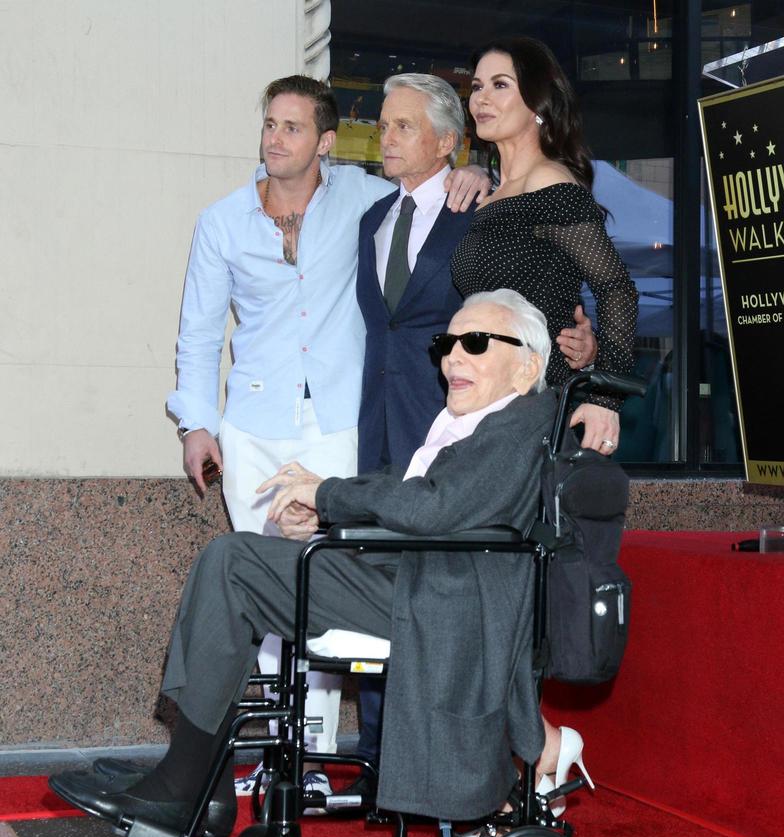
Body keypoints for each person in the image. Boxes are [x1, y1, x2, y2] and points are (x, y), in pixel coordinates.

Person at [49, 289, 565, 835]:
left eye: (475, 343)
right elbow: (420, 497)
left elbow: (433, 507)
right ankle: (195, 777)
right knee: (234, 563)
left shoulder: (522, 421)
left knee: (234, 564)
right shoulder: (479, 420)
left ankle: (188, 784)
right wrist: (322, 519)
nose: (452, 357)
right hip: (415, 578)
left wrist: (325, 496)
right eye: (447, 342)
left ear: (526, 365)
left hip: (439, 598)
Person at [164, 75, 489, 794]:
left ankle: (309, 757)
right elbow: (197, 333)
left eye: (291, 127)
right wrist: (197, 424)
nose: (274, 138)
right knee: (264, 588)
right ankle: (276, 755)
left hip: (342, 424)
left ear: (325, 141)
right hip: (252, 427)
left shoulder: (366, 201)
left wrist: (474, 170)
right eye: (269, 124)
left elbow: (431, 198)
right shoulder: (221, 221)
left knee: (321, 586)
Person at [353, 72, 598, 786]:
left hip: (458, 427)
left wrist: (576, 340)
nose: (386, 138)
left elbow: (526, 299)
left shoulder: (480, 209)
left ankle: (460, 760)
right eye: (384, 124)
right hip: (379, 425)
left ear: (445, 141)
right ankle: (380, 756)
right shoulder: (371, 217)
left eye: (402, 127)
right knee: (383, 582)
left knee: (452, 595)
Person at [452, 37, 639, 458]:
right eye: (477, 86)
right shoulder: (494, 196)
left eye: (500, 85)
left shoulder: (550, 184)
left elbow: (616, 288)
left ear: (537, 102)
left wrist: (605, 399)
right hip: (488, 401)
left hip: (537, 405)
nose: (481, 98)